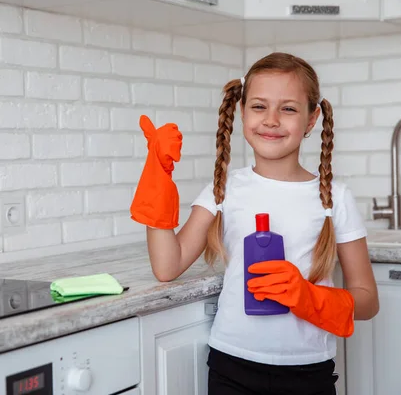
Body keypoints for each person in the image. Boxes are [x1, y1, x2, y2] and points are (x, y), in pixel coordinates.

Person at [130, 52, 379, 394]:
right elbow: (167, 265)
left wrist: (309, 298)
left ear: (311, 119)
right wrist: (157, 176)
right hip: (231, 366)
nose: (272, 120)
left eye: (289, 108)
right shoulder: (224, 189)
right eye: (259, 106)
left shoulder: (335, 198)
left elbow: (367, 300)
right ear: (241, 111)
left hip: (308, 373)